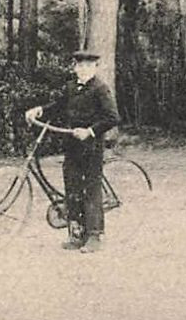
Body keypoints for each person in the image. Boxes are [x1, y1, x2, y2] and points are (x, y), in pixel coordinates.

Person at [26, 50, 120, 252]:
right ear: (75, 67)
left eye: (88, 65)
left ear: (95, 68)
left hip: (92, 147)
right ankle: (77, 234)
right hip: (72, 145)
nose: (83, 69)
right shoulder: (70, 87)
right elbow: (57, 106)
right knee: (72, 188)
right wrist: (39, 110)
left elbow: (113, 117)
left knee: (91, 189)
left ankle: (95, 236)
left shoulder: (100, 89)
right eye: (80, 65)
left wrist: (90, 131)